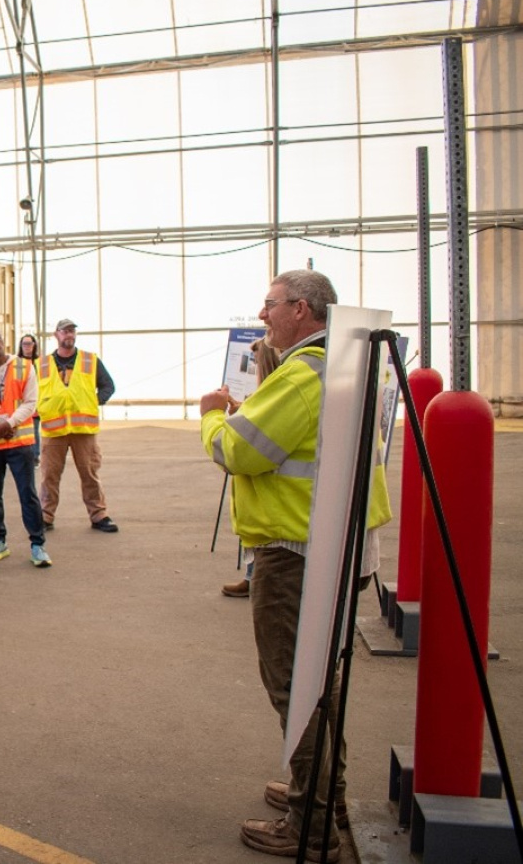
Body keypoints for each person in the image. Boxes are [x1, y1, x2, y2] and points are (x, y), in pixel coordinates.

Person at [199, 269, 391, 863]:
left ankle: (310, 828)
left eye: (270, 304)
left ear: (303, 310)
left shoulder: (304, 374)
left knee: (296, 686)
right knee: (318, 682)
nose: (263, 315)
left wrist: (213, 416)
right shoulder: (344, 364)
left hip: (296, 548)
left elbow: (241, 450)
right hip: (334, 542)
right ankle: (321, 795)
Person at [0, 326, 50, 567]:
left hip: (19, 443)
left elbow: (31, 401)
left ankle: (38, 545)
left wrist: (10, 422)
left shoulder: (24, 367)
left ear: (3, 341)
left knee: (27, 493)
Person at [37, 318, 119, 534]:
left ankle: (99, 514)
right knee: (49, 475)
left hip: (83, 429)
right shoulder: (42, 364)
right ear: (56, 335)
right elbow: (30, 392)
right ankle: (45, 516)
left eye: (72, 331)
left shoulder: (90, 360)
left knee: (89, 473)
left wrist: (95, 401)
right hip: (53, 430)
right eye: (64, 331)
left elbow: (108, 385)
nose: (69, 335)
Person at [223, 337, 282, 599]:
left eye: (257, 362)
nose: (253, 366)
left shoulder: (274, 393)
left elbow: (241, 450)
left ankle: (253, 577)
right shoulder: (265, 393)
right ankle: (251, 575)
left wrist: (213, 417)